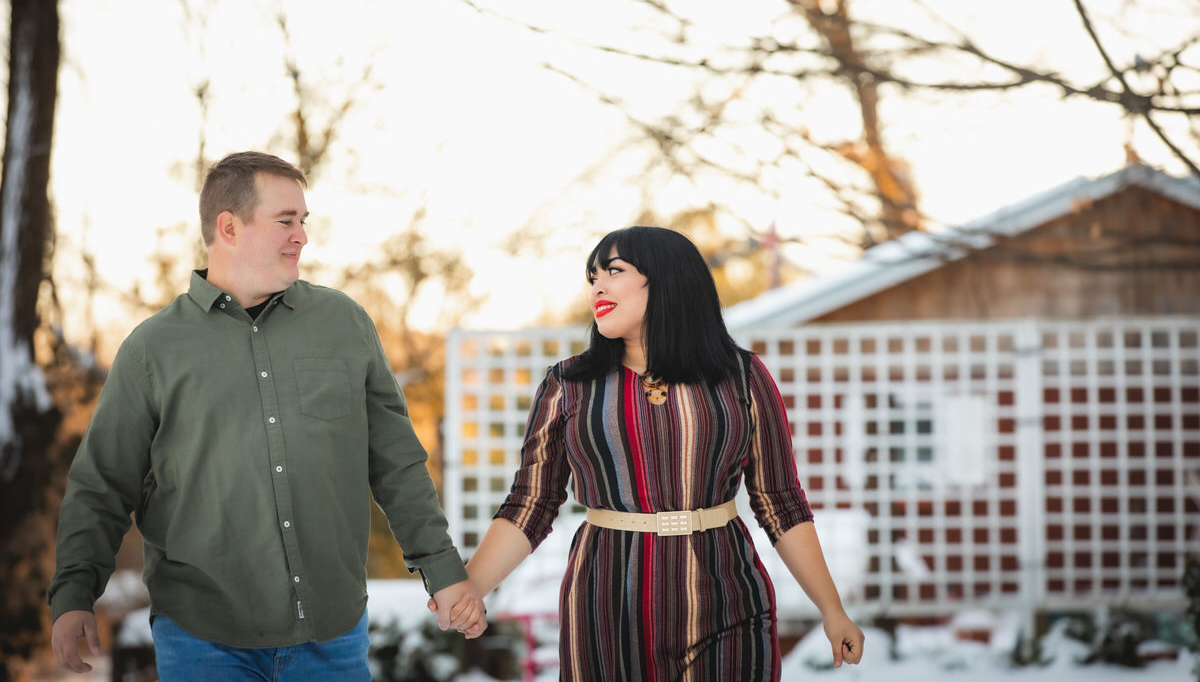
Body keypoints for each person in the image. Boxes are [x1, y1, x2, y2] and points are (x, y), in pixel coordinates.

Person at [49, 151, 485, 680]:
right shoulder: (152, 350)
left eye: (304, 221)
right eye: (286, 221)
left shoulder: (343, 324)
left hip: (332, 636)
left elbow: (396, 463)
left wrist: (442, 569)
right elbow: (102, 485)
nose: (301, 235)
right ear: (228, 227)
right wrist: (74, 593)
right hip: (203, 639)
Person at [437, 226, 863, 680]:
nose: (597, 286)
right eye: (592, 277)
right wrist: (472, 589)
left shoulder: (742, 376)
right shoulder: (568, 385)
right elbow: (532, 502)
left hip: (728, 599)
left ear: (665, 279)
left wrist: (831, 609)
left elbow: (780, 500)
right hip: (604, 608)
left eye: (614, 271)